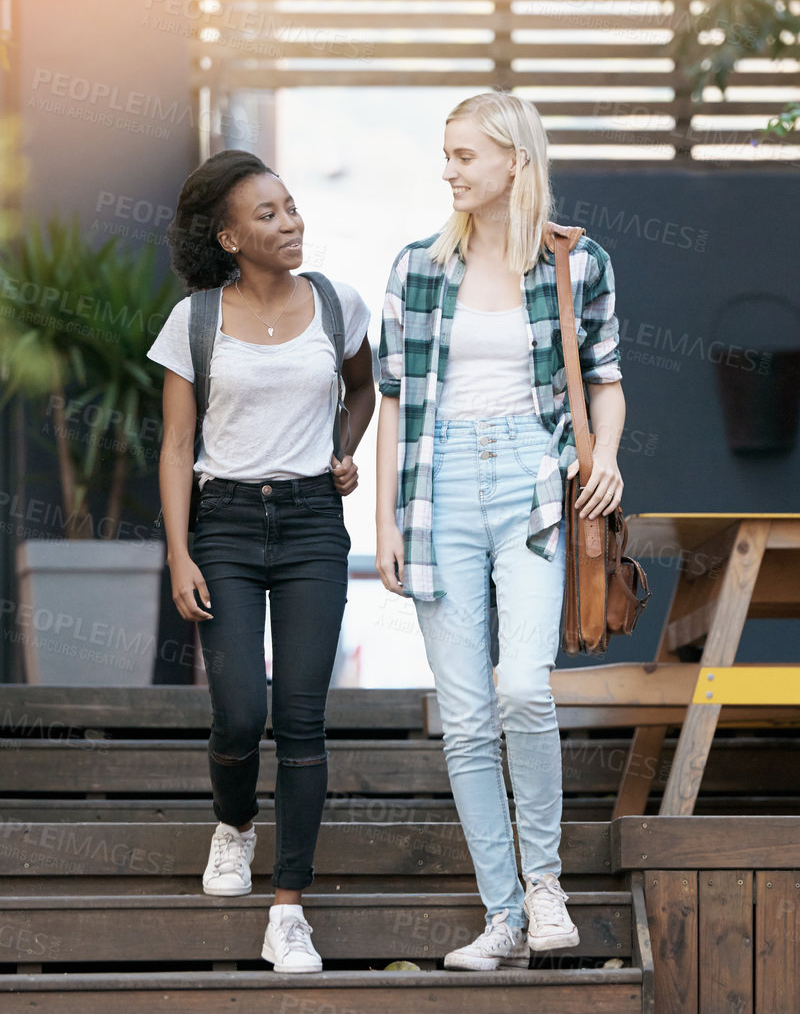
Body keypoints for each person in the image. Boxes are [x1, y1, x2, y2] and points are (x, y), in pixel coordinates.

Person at [373, 92, 626, 970]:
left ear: (515, 161)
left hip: (530, 478)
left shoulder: (574, 262)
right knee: (467, 715)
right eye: (445, 155)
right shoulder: (415, 268)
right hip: (437, 485)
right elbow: (393, 405)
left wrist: (609, 457)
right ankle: (503, 915)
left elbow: (606, 378)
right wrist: (388, 525)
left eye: (464, 155)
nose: (449, 170)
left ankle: (546, 885)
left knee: (522, 685)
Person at [147, 149, 375, 974]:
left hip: (314, 522)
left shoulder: (337, 303)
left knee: (303, 717)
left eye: (291, 206)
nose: (291, 223)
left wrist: (343, 451)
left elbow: (361, 391)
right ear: (229, 235)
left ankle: (288, 908)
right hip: (227, 527)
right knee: (242, 710)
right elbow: (177, 446)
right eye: (269, 215)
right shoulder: (195, 319)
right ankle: (234, 823)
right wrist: (179, 552)